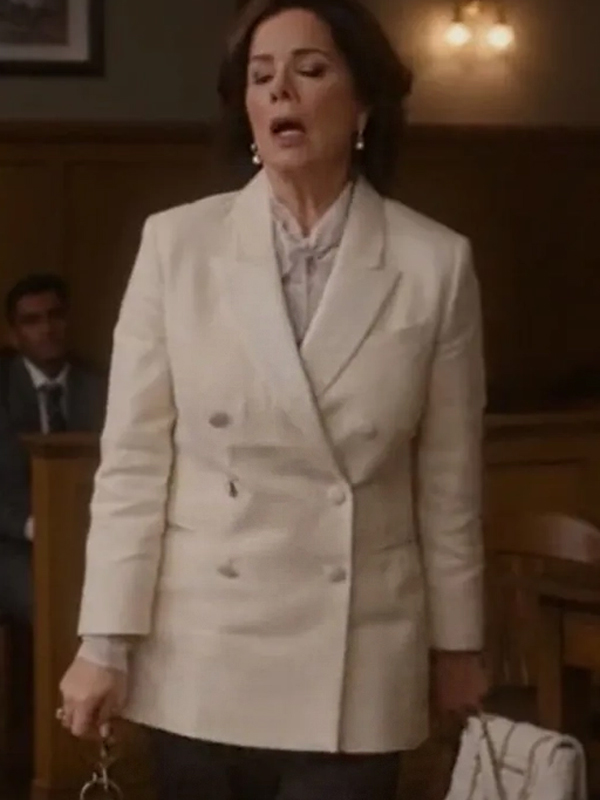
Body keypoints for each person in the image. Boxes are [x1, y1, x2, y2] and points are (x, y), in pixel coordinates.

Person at [59, 0, 488, 798]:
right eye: (261, 77)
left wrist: (458, 645)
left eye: (310, 70)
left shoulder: (435, 264)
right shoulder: (177, 245)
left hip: (359, 659)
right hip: (202, 650)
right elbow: (132, 467)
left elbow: (449, 481)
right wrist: (104, 644)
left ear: (363, 105)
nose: (281, 90)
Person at [0, 273, 106, 622]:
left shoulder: (100, 386)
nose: (47, 329)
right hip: (13, 542)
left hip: (89, 536)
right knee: (54, 600)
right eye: (31, 321)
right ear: (13, 335)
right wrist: (32, 526)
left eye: (55, 316)